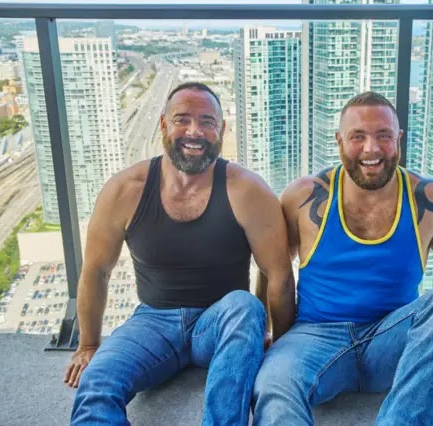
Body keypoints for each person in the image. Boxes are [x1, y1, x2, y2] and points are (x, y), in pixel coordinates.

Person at [253, 91, 433, 426]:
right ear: (339, 141)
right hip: (314, 337)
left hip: (392, 339)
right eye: (358, 137)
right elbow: (272, 269)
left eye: (384, 135)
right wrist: (265, 334)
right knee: (273, 384)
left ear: (399, 139)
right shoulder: (303, 196)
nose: (372, 149)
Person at [65, 82, 295, 425]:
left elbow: (278, 274)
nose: (194, 131)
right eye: (182, 119)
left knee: (244, 306)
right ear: (163, 125)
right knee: (96, 382)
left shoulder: (247, 191)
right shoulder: (125, 190)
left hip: (220, 321)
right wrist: (88, 345)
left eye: (207, 121)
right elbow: (96, 271)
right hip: (153, 322)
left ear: (221, 129)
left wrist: (280, 346)